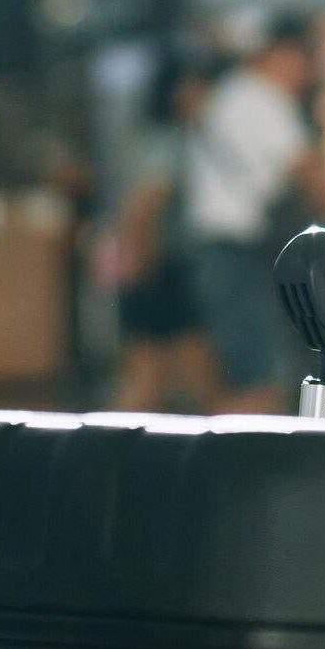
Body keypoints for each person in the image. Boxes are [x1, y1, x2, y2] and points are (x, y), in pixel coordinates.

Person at [181, 13, 325, 414]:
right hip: (235, 254)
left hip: (224, 252)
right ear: (286, 54)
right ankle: (226, 471)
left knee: (244, 376)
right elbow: (310, 179)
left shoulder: (236, 95)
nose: (307, 77)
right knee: (259, 383)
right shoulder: (260, 99)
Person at [103, 51, 223, 413]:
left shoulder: (148, 139)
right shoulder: (168, 143)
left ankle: (102, 456)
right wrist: (142, 263)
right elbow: (143, 205)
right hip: (162, 271)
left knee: (148, 377)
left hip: (151, 270)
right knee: (184, 375)